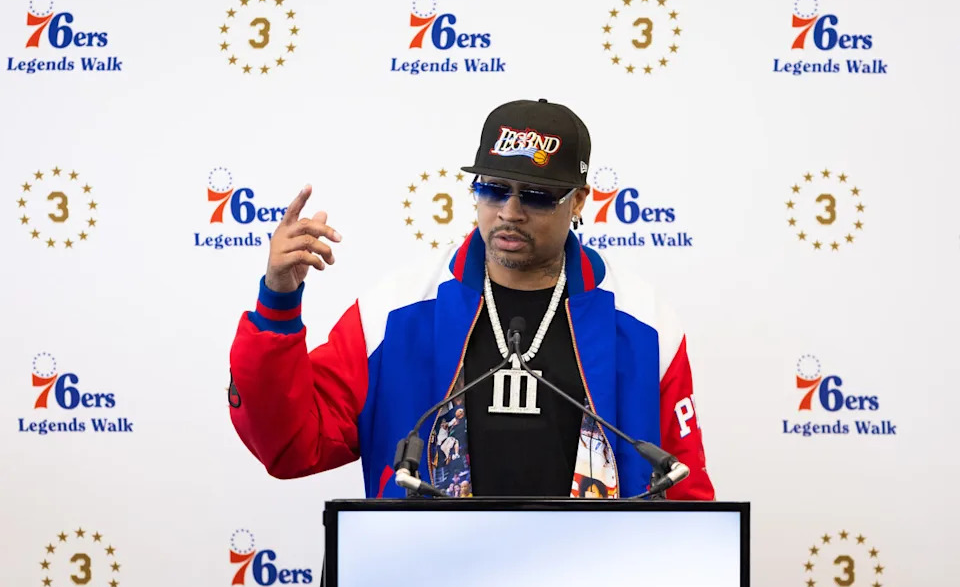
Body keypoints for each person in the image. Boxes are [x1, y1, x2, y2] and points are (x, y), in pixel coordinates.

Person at [227, 98, 714, 500]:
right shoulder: (395, 312)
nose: (510, 211)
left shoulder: (643, 322)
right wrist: (278, 302)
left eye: (538, 195)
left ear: (580, 200)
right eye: (493, 189)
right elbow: (291, 444)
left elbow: (685, 488)